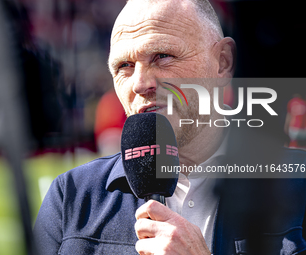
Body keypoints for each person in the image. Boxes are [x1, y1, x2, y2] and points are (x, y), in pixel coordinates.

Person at [34, 0, 306, 254]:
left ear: (223, 62)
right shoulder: (71, 195)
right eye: (124, 66)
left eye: (162, 56)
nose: (140, 84)